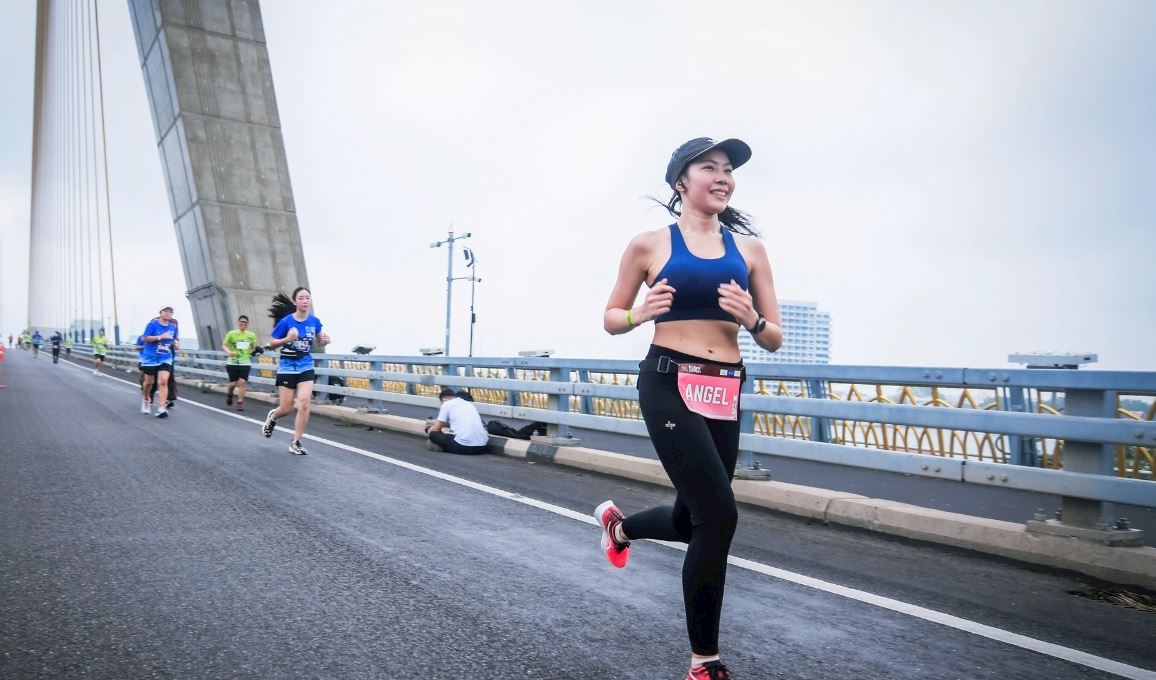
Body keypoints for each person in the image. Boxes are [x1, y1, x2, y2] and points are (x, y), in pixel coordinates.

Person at [596, 137, 782, 680]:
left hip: (725, 385)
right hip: (668, 381)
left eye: (729, 170)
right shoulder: (649, 244)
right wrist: (638, 314)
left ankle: (621, 529)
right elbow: (610, 315)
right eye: (710, 167)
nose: (723, 176)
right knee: (719, 515)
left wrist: (751, 320)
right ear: (682, 181)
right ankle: (705, 663)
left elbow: (773, 337)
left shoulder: (750, 250)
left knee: (690, 518)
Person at [261, 287, 330, 455]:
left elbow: (320, 342)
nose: (305, 300)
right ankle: (273, 417)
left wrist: (325, 341)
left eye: (307, 297)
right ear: (295, 302)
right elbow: (271, 343)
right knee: (286, 408)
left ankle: (296, 442)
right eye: (301, 298)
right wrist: (287, 339)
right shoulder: (286, 322)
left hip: (305, 364)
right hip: (287, 366)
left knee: (305, 402)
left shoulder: (314, 322)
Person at [139, 306, 179, 418]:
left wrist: (176, 344)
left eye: (170, 312)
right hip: (150, 358)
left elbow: (174, 340)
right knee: (149, 383)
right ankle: (146, 399)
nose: (168, 313)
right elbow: (144, 338)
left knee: (163, 382)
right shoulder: (152, 325)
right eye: (165, 311)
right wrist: (160, 337)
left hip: (165, 357)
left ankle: (161, 408)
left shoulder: (173, 327)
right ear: (160, 313)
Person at [426, 387, 489, 455]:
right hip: (483, 446)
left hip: (464, 447)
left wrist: (429, 430)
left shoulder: (446, 404)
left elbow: (436, 429)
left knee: (433, 434)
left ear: (443, 399)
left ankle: (440, 447)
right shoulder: (468, 404)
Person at [222, 315, 258, 411]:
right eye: (241, 322)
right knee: (233, 384)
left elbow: (254, 349)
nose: (243, 323)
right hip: (232, 362)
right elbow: (224, 345)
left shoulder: (251, 335)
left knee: (242, 382)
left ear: (247, 324)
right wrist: (228, 352)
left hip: (245, 362)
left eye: (245, 322)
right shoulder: (231, 334)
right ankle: (230, 394)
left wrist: (257, 352)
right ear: (238, 323)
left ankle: (240, 403)